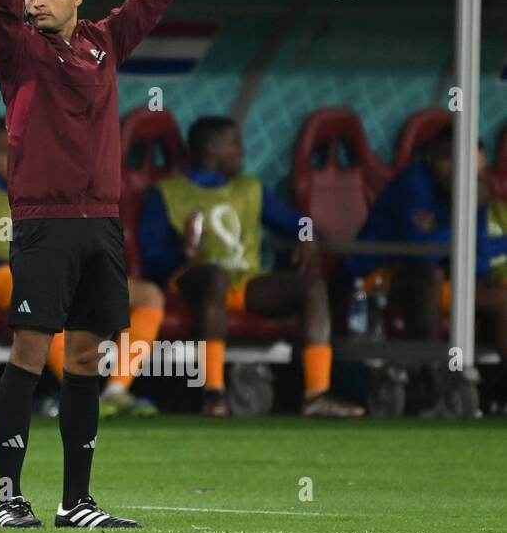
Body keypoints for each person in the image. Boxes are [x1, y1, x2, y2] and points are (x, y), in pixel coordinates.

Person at [0, 0, 212, 529]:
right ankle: (9, 495)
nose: (34, 0)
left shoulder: (104, 43)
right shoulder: (16, 48)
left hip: (100, 223)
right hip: (44, 223)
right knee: (30, 349)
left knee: (86, 355)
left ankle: (75, 500)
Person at [0, 118, 165, 418]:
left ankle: (116, 390)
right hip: (1, 273)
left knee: (147, 295)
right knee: (41, 289)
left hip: (56, 271)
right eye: (8, 152)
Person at [139, 116, 363, 418]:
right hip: (192, 282)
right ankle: (214, 393)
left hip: (242, 282)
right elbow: (152, 259)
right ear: (213, 149)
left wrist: (307, 236)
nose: (242, 153)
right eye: (236, 145)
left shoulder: (250, 188)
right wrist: (186, 250)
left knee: (312, 286)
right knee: (215, 277)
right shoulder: (165, 193)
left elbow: (301, 223)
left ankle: (316, 395)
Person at [350, 127, 507, 411]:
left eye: (468, 162)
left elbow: (480, 262)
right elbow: (421, 252)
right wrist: (455, 224)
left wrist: (450, 223)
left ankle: (497, 391)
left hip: (436, 275)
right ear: (430, 157)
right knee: (429, 279)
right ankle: (432, 383)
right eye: (447, 158)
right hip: (377, 276)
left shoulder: (474, 192)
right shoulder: (413, 184)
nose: (456, 168)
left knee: (501, 295)